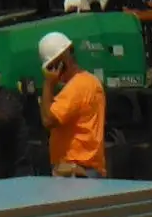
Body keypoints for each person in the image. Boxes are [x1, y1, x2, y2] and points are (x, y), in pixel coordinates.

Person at [37, 30, 106, 179]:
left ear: (61, 62)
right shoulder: (90, 82)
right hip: (86, 169)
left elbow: (48, 120)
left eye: (52, 66)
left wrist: (48, 84)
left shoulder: (76, 88)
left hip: (76, 171)